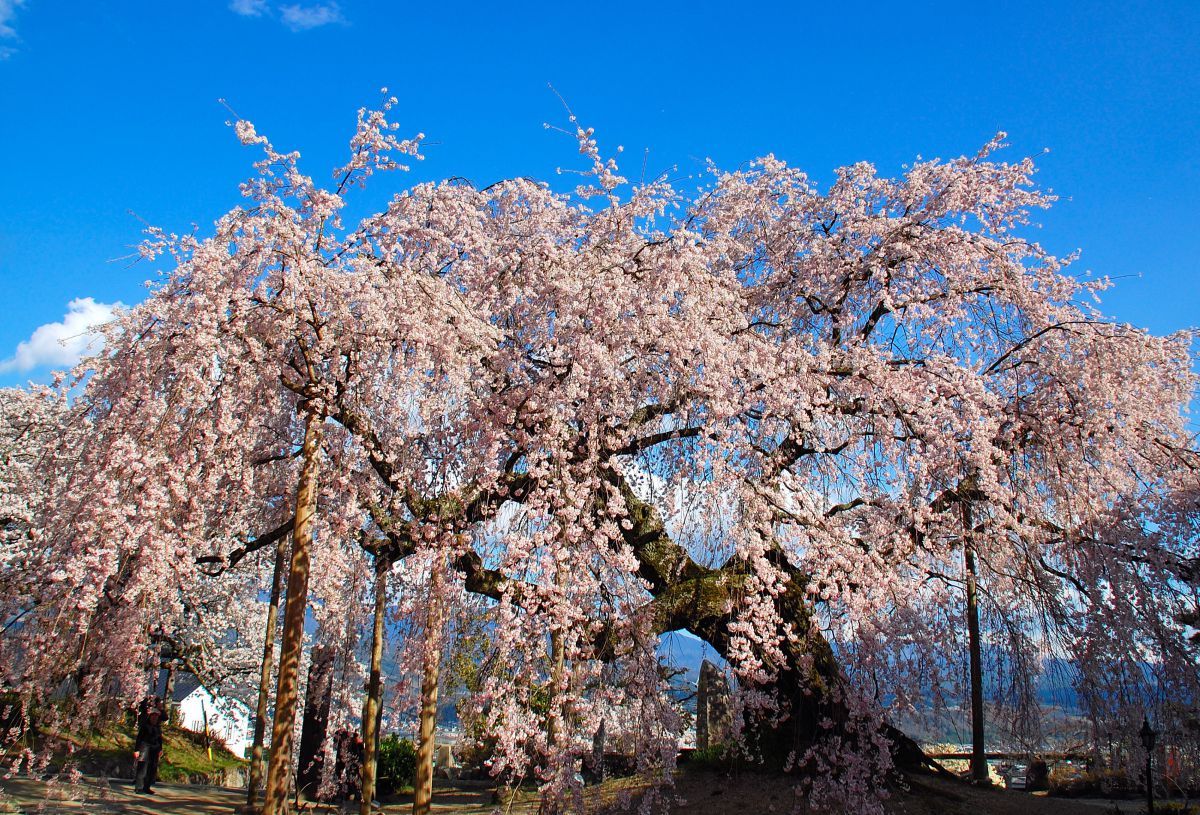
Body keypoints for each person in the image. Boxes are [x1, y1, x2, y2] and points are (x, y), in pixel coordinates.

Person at [133, 699, 164, 794]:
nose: (154, 719)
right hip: (145, 747)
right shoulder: (145, 726)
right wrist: (137, 750)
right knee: (142, 767)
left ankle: (147, 787)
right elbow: (139, 738)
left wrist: (160, 749)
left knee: (152, 768)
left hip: (155, 748)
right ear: (150, 717)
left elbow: (160, 739)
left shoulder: (158, 727)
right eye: (153, 717)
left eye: (156, 717)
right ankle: (139, 787)